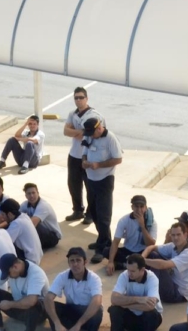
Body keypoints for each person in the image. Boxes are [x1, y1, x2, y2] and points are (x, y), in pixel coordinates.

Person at [81, 117, 122, 261]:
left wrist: (99, 165)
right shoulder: (90, 136)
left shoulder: (110, 138)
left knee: (103, 215)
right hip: (91, 179)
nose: (91, 136)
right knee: (93, 212)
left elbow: (118, 159)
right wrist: (84, 161)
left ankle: (103, 248)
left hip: (105, 179)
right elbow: (84, 151)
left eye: (93, 133)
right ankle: (103, 239)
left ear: (100, 128)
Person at [0, 254, 49, 331]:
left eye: (8, 274)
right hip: (17, 306)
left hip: (37, 314)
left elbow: (31, 301)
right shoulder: (11, 269)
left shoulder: (36, 274)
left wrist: (10, 304)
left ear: (15, 267)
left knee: (35, 305)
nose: (8, 276)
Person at [44, 247, 104, 331]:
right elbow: (48, 298)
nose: (75, 264)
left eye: (78, 260)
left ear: (85, 262)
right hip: (72, 309)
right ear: (68, 263)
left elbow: (97, 301)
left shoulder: (94, 278)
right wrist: (57, 323)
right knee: (52, 305)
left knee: (97, 310)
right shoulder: (62, 276)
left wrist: (78, 324)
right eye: (72, 261)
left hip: (87, 312)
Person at [62, 87, 99, 223]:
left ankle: (90, 213)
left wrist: (77, 131)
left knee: (90, 187)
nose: (78, 100)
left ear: (86, 98)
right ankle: (78, 210)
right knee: (73, 184)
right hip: (74, 156)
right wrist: (79, 132)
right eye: (76, 98)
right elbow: (66, 131)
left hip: (88, 156)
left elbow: (88, 133)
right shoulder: (72, 113)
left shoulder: (93, 115)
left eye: (81, 97)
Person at [141, 223, 188, 303]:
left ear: (185, 235)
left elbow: (162, 265)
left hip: (179, 294)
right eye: (173, 235)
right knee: (153, 254)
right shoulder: (173, 246)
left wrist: (142, 261)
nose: (175, 238)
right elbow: (151, 247)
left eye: (178, 235)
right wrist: (141, 258)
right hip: (172, 283)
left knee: (157, 265)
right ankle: (143, 286)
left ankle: (147, 290)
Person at [109, 254, 163, 331]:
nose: (129, 273)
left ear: (142, 270)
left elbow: (150, 306)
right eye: (128, 270)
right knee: (114, 310)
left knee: (151, 314)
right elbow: (114, 299)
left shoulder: (152, 278)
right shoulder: (124, 275)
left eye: (133, 271)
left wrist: (125, 305)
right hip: (131, 316)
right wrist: (138, 299)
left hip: (147, 318)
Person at [106, 195, 158, 271]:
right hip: (128, 250)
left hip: (143, 253)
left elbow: (151, 245)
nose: (139, 210)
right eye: (136, 206)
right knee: (106, 251)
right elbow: (116, 241)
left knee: (154, 256)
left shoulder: (152, 222)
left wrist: (143, 226)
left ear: (145, 207)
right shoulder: (124, 220)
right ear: (132, 207)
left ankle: (125, 265)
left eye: (141, 207)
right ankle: (134, 266)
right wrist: (110, 262)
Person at [21, 182, 62, 250]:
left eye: (33, 193)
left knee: (31, 224)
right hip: (42, 233)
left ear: (38, 193)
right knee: (21, 220)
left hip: (53, 237)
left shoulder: (43, 206)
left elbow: (32, 225)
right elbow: (15, 216)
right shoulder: (25, 204)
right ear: (25, 195)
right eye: (29, 193)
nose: (31, 196)